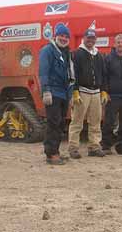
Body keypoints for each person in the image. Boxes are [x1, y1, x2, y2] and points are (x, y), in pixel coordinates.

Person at [68, 29, 108, 159]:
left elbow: (103, 74)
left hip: (96, 93)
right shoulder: (76, 54)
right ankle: (73, 148)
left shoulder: (99, 56)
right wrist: (74, 91)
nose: (90, 40)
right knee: (77, 121)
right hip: (82, 92)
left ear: (95, 40)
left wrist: (104, 90)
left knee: (96, 122)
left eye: (93, 38)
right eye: (88, 38)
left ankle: (94, 147)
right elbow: (72, 74)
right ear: (84, 38)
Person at [39, 23, 74, 165]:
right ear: (55, 36)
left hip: (64, 94)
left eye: (66, 36)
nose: (64, 38)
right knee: (53, 123)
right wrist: (46, 91)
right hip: (53, 92)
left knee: (60, 124)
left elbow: (70, 75)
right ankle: (51, 154)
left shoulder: (66, 53)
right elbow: (43, 72)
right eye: (61, 35)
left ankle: (56, 151)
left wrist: (70, 95)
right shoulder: (47, 51)